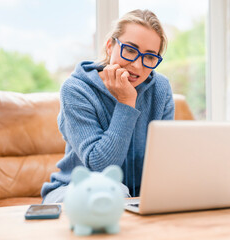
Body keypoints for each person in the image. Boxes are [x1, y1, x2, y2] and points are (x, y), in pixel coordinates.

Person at [41, 9, 175, 203]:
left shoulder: (160, 89)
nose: (137, 65)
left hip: (138, 198)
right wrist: (126, 103)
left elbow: (165, 160)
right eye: (130, 50)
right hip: (74, 189)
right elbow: (101, 168)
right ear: (110, 46)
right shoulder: (76, 90)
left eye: (150, 57)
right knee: (112, 191)